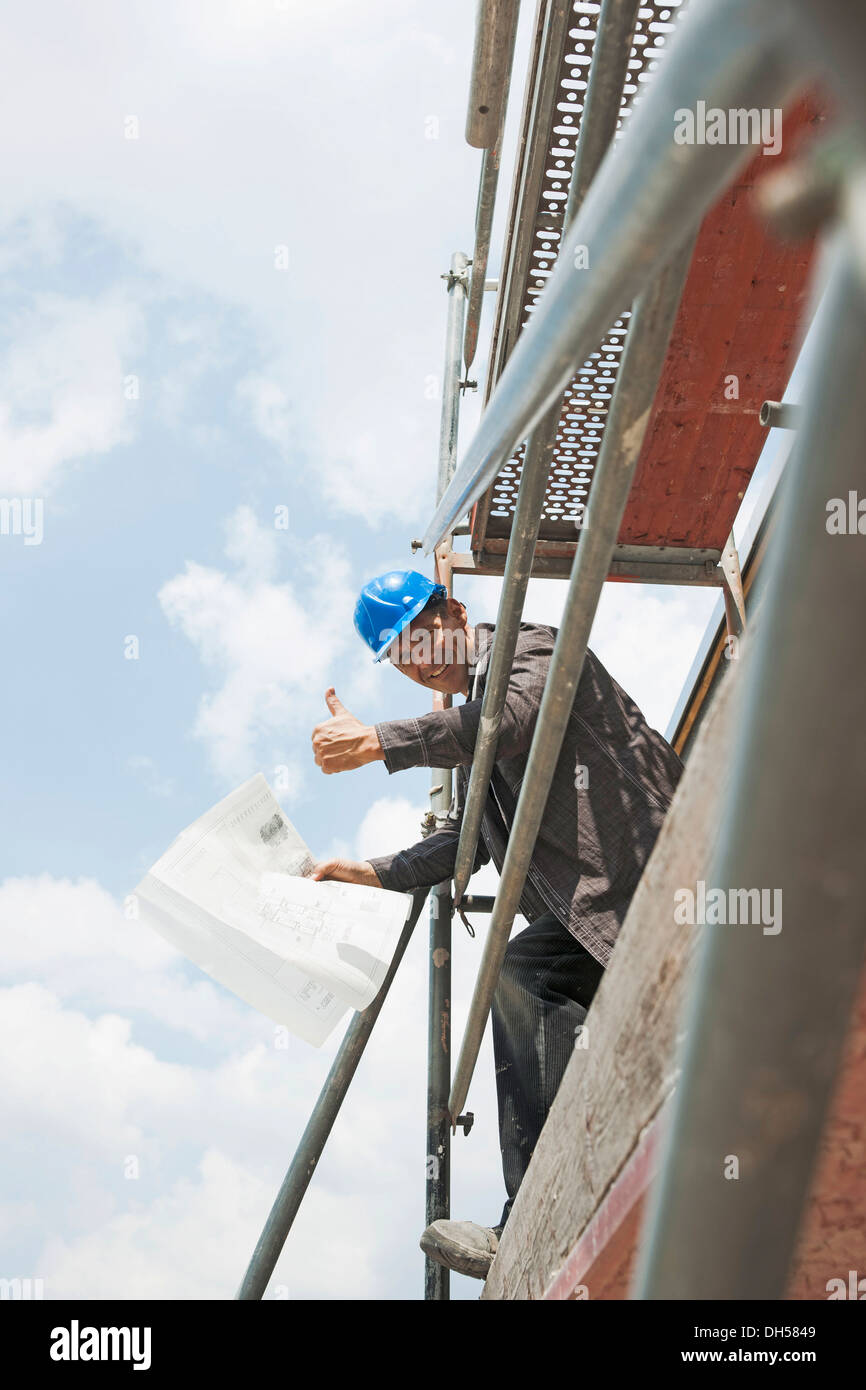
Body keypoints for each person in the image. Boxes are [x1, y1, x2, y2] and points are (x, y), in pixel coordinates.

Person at [310, 569, 684, 1280]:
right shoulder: (473, 728)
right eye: (399, 655)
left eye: (420, 635)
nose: (418, 660)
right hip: (596, 915)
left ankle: (556, 1186)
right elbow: (470, 840)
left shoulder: (531, 648)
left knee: (521, 972)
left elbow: (511, 723)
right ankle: (551, 1197)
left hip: (650, 877)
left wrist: (381, 743)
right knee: (530, 980)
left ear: (453, 610)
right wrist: (373, 871)